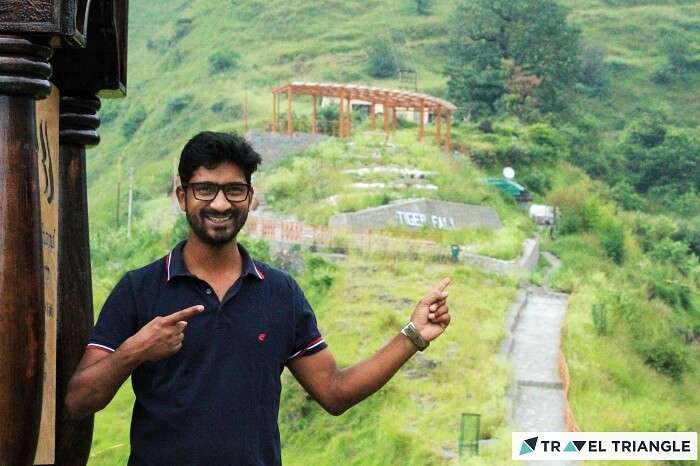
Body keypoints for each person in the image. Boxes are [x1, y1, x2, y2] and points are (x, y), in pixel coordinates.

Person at [66, 131, 452, 466]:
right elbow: (79, 400)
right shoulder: (140, 289)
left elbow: (334, 392)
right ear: (182, 196)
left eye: (234, 190)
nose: (220, 204)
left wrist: (412, 335)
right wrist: (136, 350)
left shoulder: (280, 293)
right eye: (205, 189)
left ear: (249, 197)